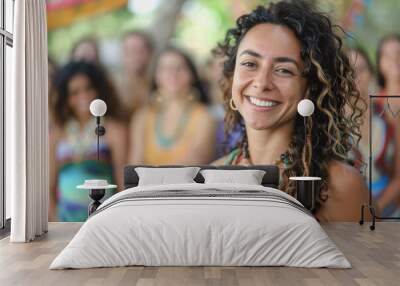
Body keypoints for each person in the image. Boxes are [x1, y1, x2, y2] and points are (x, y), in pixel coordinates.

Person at [212, 1, 370, 222]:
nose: (262, 82)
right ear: (232, 79)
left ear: (310, 89)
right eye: (250, 63)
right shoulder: (209, 177)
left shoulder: (338, 186)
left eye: (283, 70)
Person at [49, 61, 128, 222]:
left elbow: (123, 183)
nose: (83, 96)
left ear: (99, 90)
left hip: (105, 221)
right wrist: (56, 221)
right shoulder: (58, 132)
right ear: (65, 97)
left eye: (88, 88)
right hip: (64, 221)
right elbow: (48, 187)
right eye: (75, 92)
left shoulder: (114, 130)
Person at [129, 46, 216, 165]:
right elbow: (135, 165)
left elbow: (197, 160)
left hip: (188, 183)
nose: (173, 73)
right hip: (146, 183)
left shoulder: (204, 117)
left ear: (191, 74)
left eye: (180, 68)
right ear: (156, 75)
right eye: (165, 68)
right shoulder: (142, 117)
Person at [118, 31, 154, 118]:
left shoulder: (161, 84)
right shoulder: (112, 88)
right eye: (129, 51)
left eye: (139, 50)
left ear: (150, 53)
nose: (134, 55)